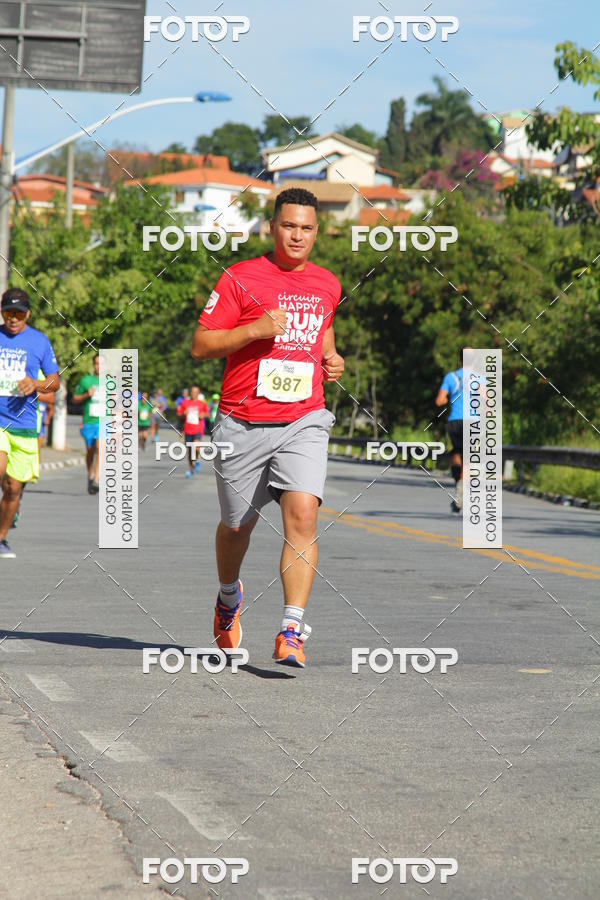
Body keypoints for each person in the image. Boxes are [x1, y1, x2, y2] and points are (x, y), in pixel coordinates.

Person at [191, 187, 344, 668]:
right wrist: (255, 330)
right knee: (238, 526)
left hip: (304, 418)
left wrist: (332, 358)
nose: (297, 235)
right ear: (271, 227)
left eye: (307, 228)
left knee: (302, 514)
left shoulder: (328, 284)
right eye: (289, 226)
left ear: (317, 232)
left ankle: (292, 628)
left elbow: (322, 335)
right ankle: (227, 597)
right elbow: (201, 344)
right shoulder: (240, 278)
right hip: (243, 421)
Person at [0, 288, 59, 558]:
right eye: (8, 313)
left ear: (28, 314)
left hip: (24, 423)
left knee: (14, 488)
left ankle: (1, 538)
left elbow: (54, 382)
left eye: (18, 314)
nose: (13, 319)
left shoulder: (39, 342)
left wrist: (35, 383)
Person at [435, 349, 470, 514]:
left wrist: (451, 397)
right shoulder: (481, 380)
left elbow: (439, 401)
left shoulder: (451, 377)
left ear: (460, 360)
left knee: (456, 454)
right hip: (473, 422)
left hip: (454, 421)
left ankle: (459, 489)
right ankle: (462, 490)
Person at [73, 354, 101, 494]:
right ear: (93, 365)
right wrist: (86, 395)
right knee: (90, 451)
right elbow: (75, 399)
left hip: (103, 421)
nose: (99, 366)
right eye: (96, 363)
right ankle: (90, 475)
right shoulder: (86, 381)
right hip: (89, 421)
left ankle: (96, 479)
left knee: (100, 448)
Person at [177, 385, 208, 477]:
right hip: (187, 430)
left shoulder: (202, 404)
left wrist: (203, 414)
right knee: (190, 451)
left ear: (198, 393)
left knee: (196, 446)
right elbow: (179, 415)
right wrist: (183, 414)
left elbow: (207, 414)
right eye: (192, 392)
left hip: (198, 429)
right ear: (190, 393)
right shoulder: (185, 402)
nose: (193, 393)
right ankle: (191, 469)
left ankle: (197, 460)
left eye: (195, 392)